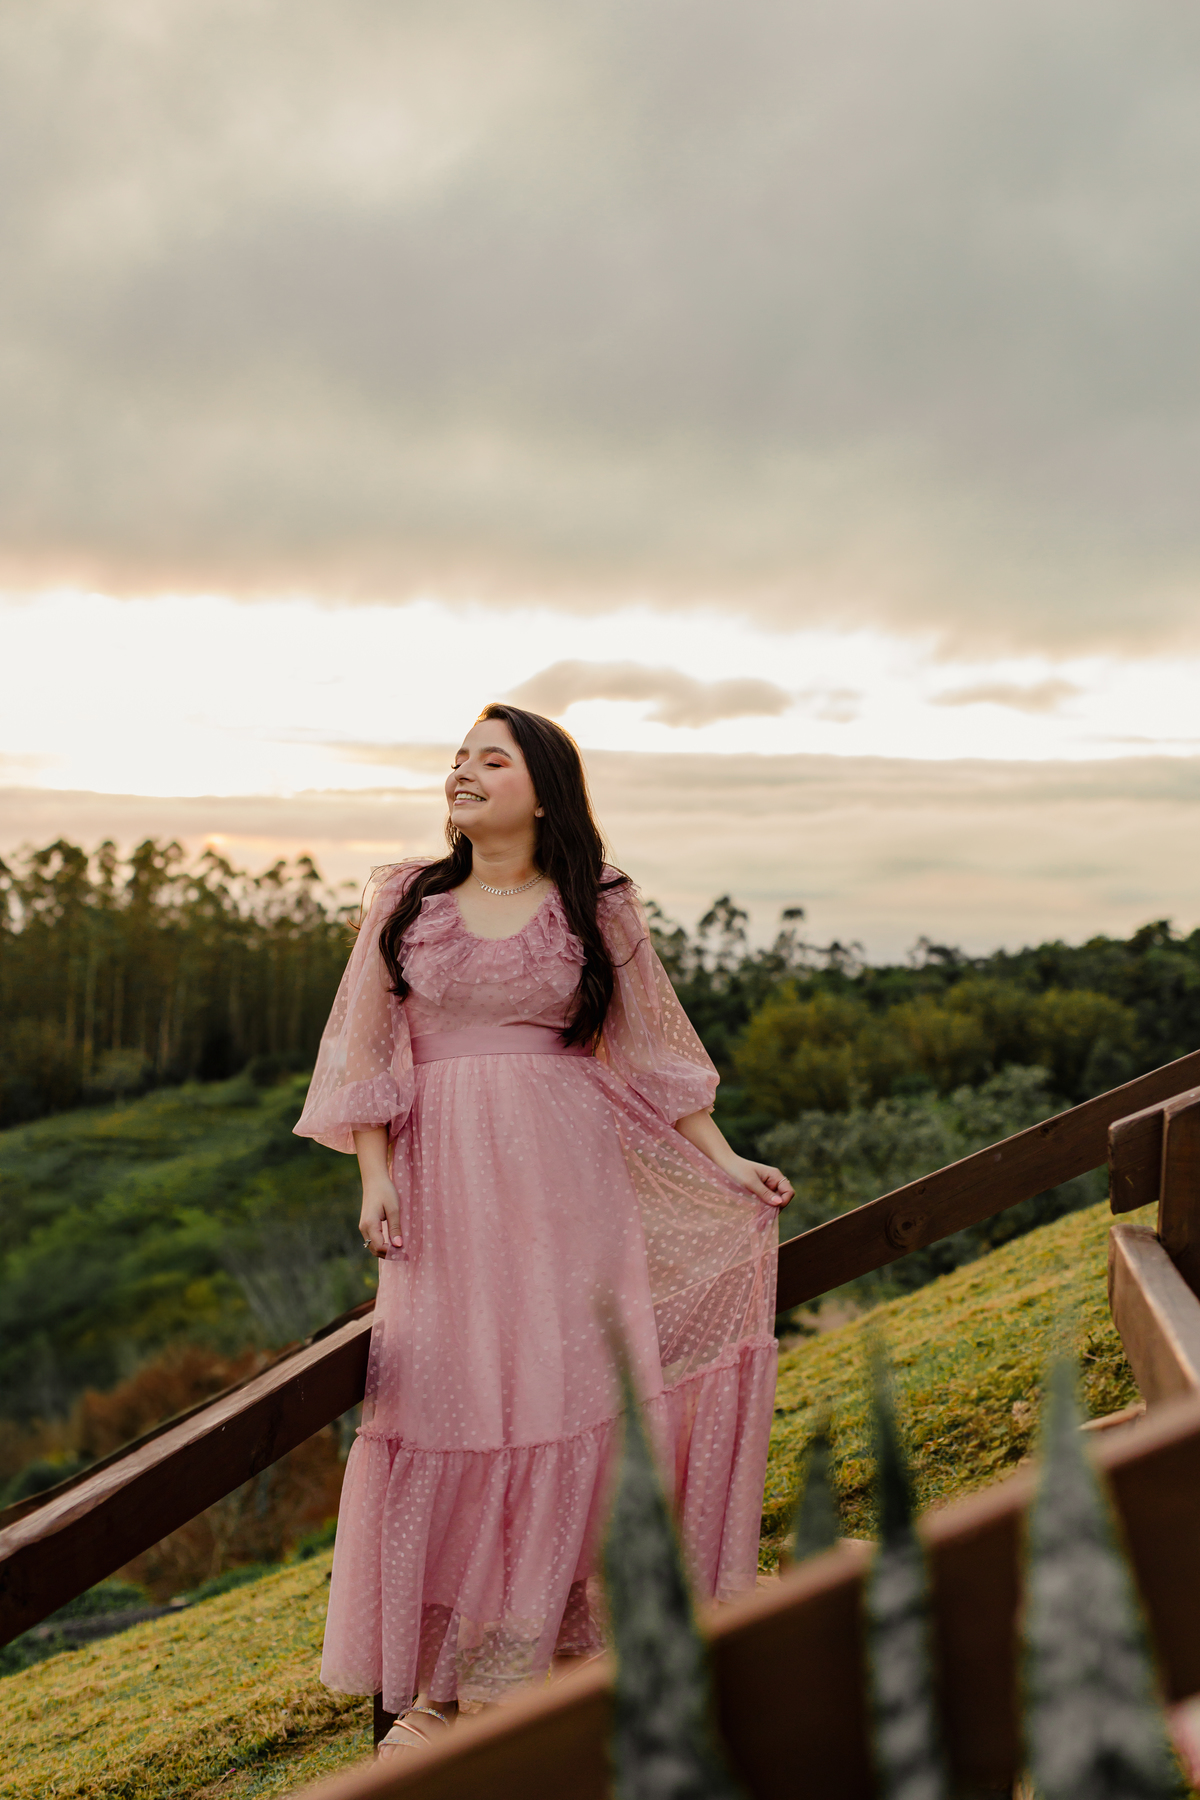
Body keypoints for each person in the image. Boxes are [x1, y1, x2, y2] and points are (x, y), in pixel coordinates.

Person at [294, 703, 793, 1754]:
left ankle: (574, 1653)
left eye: (492, 759)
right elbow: (367, 1053)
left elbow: (655, 1052)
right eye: (457, 758)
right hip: (443, 1183)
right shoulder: (407, 899)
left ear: (543, 790)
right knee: (454, 1398)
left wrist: (723, 1160)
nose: (463, 772)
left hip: (573, 1180)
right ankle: (443, 1683)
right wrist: (373, 1178)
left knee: (578, 1391)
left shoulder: (596, 904)